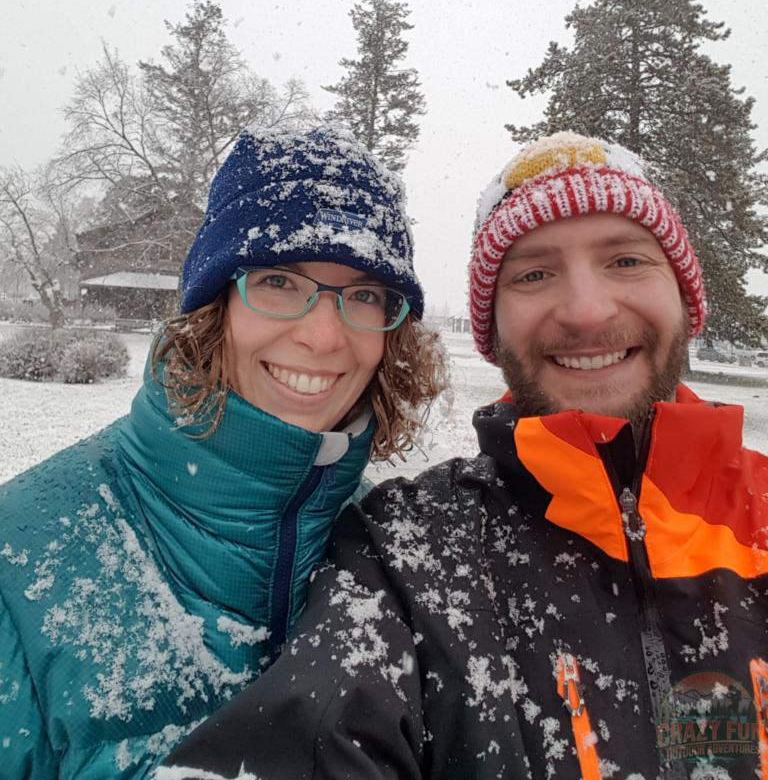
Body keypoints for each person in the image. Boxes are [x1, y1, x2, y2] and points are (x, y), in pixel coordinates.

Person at [162, 131, 768, 780]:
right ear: (493, 326)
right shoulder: (402, 553)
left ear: (685, 296)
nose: (588, 311)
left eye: (626, 261)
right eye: (535, 272)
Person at [0, 125, 446, 780]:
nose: (324, 336)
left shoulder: (390, 554)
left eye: (364, 294)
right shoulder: (21, 559)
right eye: (279, 281)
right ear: (216, 304)